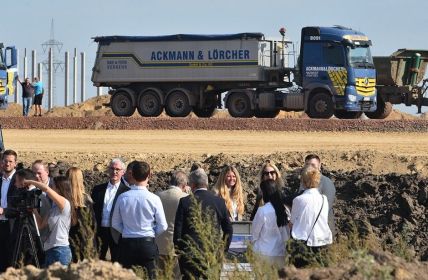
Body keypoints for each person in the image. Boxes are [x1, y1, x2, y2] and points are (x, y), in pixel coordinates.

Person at [174, 168, 233, 280]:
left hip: (189, 254)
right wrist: (223, 249)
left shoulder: (185, 202)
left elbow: (178, 231)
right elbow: (228, 229)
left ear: (192, 184)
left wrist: (180, 251)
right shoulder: (219, 202)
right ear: (207, 183)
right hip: (213, 253)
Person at [112, 161, 167, 279]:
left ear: (131, 174)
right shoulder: (154, 199)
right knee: (150, 276)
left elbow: (115, 223)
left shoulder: (123, 197)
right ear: (149, 175)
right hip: (147, 243)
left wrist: (127, 231)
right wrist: (150, 233)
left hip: (127, 244)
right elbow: (163, 225)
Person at [28, 176, 76, 267]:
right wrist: (34, 210)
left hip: (60, 250)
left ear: (59, 188)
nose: (51, 187)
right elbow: (41, 225)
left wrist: (29, 181)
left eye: (53, 186)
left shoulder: (65, 204)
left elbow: (46, 189)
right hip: (49, 250)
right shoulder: (53, 209)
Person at [290, 165, 332, 267]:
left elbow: (292, 222)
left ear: (303, 182)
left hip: (302, 244)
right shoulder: (324, 199)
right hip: (322, 242)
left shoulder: (298, 200)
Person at [91, 158, 129, 261]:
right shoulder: (97, 190)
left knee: (118, 263)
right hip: (100, 233)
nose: (114, 172)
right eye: (112, 168)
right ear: (108, 170)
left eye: (117, 169)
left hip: (117, 234)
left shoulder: (127, 192)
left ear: (123, 172)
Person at [155, 171, 189, 279]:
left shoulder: (158, 195)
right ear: (184, 185)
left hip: (158, 245)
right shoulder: (186, 198)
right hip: (176, 246)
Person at [251, 180, 289, 268]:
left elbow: (255, 233)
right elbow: (286, 233)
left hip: (263, 252)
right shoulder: (284, 210)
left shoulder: (262, 210)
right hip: (280, 252)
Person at [299, 154, 336, 236]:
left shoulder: (326, 182)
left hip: (323, 231)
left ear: (319, 166)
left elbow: (326, 206)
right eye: (307, 165)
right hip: (307, 231)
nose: (310, 167)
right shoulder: (303, 182)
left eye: (313, 165)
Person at [66, 167, 97, 262]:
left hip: (67, 240)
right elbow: (92, 224)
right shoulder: (86, 200)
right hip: (85, 242)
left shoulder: (63, 200)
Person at [0, 150, 17, 272]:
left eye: (10, 161)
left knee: (11, 261)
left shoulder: (19, 180)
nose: (7, 164)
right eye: (5, 161)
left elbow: (20, 206)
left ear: (15, 163)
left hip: (12, 226)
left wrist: (4, 211)